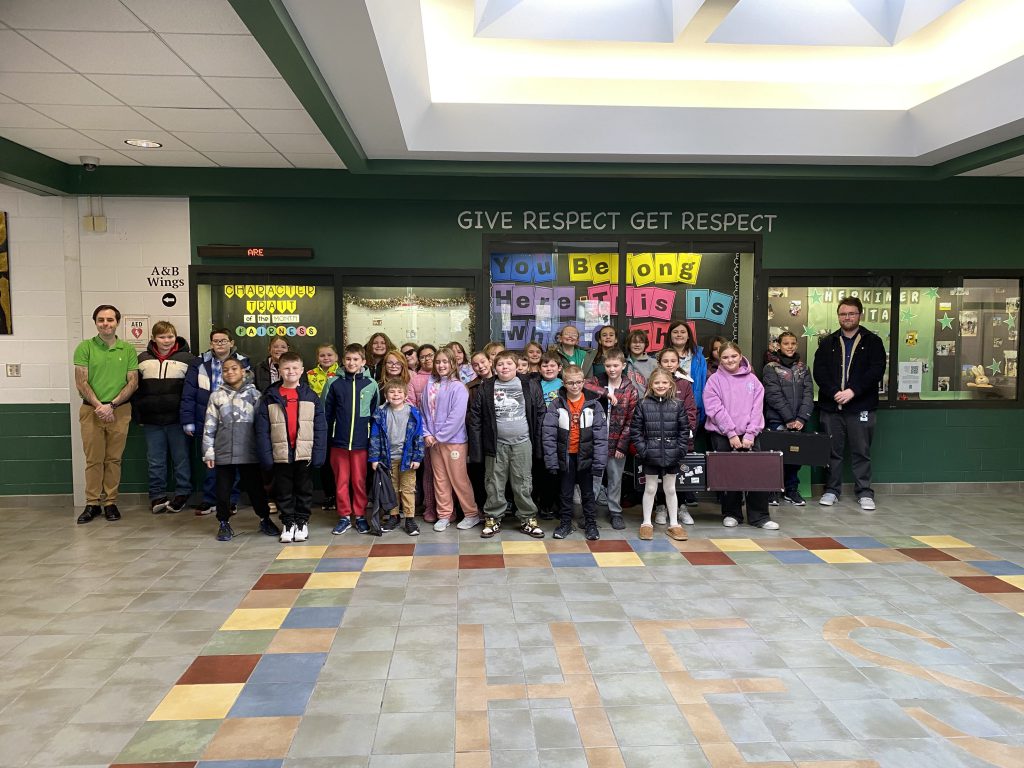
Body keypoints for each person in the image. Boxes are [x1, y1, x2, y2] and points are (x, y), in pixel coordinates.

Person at [812, 297, 887, 510]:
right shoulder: (827, 342)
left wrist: (853, 391)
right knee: (832, 451)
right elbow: (820, 371)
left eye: (851, 313)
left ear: (859, 315)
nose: (847, 317)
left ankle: (864, 492)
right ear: (838, 316)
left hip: (861, 407)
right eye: (843, 314)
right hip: (831, 407)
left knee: (861, 451)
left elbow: (876, 371)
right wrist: (835, 392)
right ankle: (831, 490)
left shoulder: (873, 341)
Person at [468, 350, 546, 539]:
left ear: (516, 365)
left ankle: (527, 518)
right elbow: (475, 418)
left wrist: (539, 441)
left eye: (509, 364)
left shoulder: (529, 384)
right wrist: (477, 448)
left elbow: (541, 412)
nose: (505, 367)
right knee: (493, 482)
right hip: (496, 445)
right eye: (501, 364)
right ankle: (493, 518)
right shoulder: (486, 387)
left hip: (523, 443)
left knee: (523, 482)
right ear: (495, 366)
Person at [73, 304, 139, 524]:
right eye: (101, 320)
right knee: (93, 460)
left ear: (117, 322)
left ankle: (110, 502)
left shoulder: (127, 349)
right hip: (90, 410)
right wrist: (100, 406)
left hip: (120, 410)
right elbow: (81, 381)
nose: (105, 324)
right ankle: (92, 504)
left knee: (113, 459)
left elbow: (133, 382)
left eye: (110, 320)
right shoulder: (85, 348)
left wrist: (111, 405)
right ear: (95, 323)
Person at [201, 358, 279, 541]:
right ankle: (223, 523)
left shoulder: (255, 395)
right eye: (225, 370)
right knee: (223, 491)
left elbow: (262, 426)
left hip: (249, 452)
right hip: (223, 451)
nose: (230, 372)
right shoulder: (216, 396)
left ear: (243, 371)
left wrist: (263, 450)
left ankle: (264, 518)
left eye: (234, 368)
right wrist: (208, 452)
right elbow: (209, 426)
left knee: (256, 489)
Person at [703, 342, 779, 530]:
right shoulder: (714, 380)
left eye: (733, 356)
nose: (730, 360)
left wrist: (750, 434)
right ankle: (731, 513)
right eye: (725, 357)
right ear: (719, 359)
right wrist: (730, 433)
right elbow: (715, 409)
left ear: (740, 355)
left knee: (756, 474)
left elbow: (757, 409)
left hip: (750, 435)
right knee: (729, 475)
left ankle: (760, 516)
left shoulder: (753, 381)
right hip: (723, 435)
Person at [256, 351, 327, 543]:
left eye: (295, 368)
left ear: (302, 370)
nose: (291, 371)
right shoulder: (270, 396)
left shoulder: (310, 395)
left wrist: (318, 453)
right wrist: (266, 456)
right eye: (286, 368)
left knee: (304, 489)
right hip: (280, 454)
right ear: (279, 370)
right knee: (283, 490)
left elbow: (320, 426)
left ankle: (302, 521)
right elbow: (262, 430)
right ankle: (288, 522)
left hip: (304, 453)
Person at [181, 328, 250, 515]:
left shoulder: (243, 362)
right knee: (210, 461)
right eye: (216, 341)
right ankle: (210, 499)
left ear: (231, 343)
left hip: (234, 420)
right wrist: (188, 420)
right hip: (207, 419)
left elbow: (249, 390)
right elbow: (189, 393)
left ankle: (231, 500)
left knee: (233, 461)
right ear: (211, 344)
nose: (220, 344)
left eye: (223, 340)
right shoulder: (199, 363)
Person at [133, 321, 195, 514]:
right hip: (152, 421)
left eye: (170, 336)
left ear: (175, 337)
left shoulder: (188, 358)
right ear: (153, 339)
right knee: (155, 460)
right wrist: (139, 414)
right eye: (162, 337)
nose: (166, 340)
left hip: (177, 420)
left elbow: (191, 391)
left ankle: (182, 493)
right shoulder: (142, 359)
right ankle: (157, 495)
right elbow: (136, 389)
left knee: (181, 458)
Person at [543, 364, 608, 540]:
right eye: (570, 383)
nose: (575, 386)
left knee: (588, 493)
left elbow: (601, 437)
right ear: (564, 383)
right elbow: (548, 434)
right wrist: (551, 460)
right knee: (565, 492)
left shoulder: (594, 405)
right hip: (566, 456)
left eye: (578, 382)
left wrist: (599, 462)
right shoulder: (556, 404)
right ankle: (565, 523)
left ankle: (591, 524)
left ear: (583, 382)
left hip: (586, 455)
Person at [421, 348, 480, 531]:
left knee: (459, 479)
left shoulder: (458, 387)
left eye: (445, 362)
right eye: (438, 362)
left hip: (453, 441)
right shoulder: (429, 385)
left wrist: (439, 437)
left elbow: (457, 417)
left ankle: (471, 514)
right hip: (433, 442)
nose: (441, 365)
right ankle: (445, 514)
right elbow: (422, 412)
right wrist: (427, 434)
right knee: (440, 479)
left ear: (453, 363)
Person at [324, 343, 379, 534]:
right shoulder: (333, 383)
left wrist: (372, 439)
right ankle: (344, 516)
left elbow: (374, 413)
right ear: (342, 360)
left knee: (359, 481)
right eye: (348, 359)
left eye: (356, 359)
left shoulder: (371, 384)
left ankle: (360, 515)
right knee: (341, 480)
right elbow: (326, 413)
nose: (351, 362)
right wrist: (328, 438)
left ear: (363, 361)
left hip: (361, 443)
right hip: (338, 442)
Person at [630, 368, 690, 542]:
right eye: (657, 383)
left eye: (664, 382)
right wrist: (644, 450)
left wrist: (679, 450)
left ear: (670, 384)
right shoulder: (642, 404)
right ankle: (647, 523)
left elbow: (684, 430)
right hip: (650, 454)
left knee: (671, 489)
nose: (661, 386)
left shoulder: (677, 404)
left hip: (672, 454)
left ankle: (674, 524)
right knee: (650, 488)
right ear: (651, 384)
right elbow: (636, 431)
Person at [583, 349, 639, 530]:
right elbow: (583, 385)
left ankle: (615, 511)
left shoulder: (630, 389)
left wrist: (622, 446)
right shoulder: (597, 381)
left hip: (617, 442)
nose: (612, 369)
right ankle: (589, 512)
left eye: (616, 365)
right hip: (596, 441)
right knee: (594, 478)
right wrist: (606, 393)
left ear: (623, 366)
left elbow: (631, 420)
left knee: (615, 478)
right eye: (608, 365)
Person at [763, 331, 814, 506]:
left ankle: (791, 490)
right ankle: (772, 490)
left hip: (799, 422)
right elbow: (773, 395)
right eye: (786, 343)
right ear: (779, 345)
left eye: (793, 343)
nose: (790, 347)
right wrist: (788, 419)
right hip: (778, 420)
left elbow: (808, 394)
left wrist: (801, 418)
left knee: (795, 458)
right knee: (775, 456)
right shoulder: (771, 367)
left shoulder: (803, 368)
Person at [369, 378, 425, 535]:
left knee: (407, 489)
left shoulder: (413, 413)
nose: (396, 395)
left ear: (406, 395)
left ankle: (409, 519)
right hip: (387, 459)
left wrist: (417, 457)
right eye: (392, 392)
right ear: (386, 395)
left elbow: (418, 437)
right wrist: (374, 458)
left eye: (399, 392)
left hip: (407, 459)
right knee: (392, 489)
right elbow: (375, 437)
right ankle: (394, 516)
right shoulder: (381, 413)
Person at [653, 348, 700, 516]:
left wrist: (685, 433)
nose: (669, 364)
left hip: (679, 439)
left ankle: (681, 507)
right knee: (659, 474)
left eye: (673, 361)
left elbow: (690, 411)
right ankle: (661, 507)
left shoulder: (684, 383)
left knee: (679, 474)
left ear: (678, 363)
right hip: (658, 439)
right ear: (659, 363)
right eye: (665, 361)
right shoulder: (654, 381)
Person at [307, 343, 340, 510]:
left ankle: (341, 495)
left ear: (336, 357)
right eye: (322, 355)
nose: (326, 358)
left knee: (338, 460)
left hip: (338, 422)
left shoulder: (342, 373)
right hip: (318, 422)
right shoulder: (309, 375)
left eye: (330, 355)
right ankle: (329, 495)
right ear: (317, 358)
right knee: (324, 460)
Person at [534, 352, 563, 518]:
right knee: (543, 470)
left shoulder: (564, 384)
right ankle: (545, 505)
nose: (548, 368)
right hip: (543, 432)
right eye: (545, 365)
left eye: (552, 365)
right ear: (539, 368)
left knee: (559, 471)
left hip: (560, 432)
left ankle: (559, 505)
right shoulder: (536, 384)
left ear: (559, 368)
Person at [663, 321, 708, 423]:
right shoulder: (660, 357)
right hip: (666, 410)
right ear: (670, 335)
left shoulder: (699, 358)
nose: (679, 334)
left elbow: (704, 384)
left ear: (688, 336)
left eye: (683, 332)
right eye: (675, 332)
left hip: (692, 410)